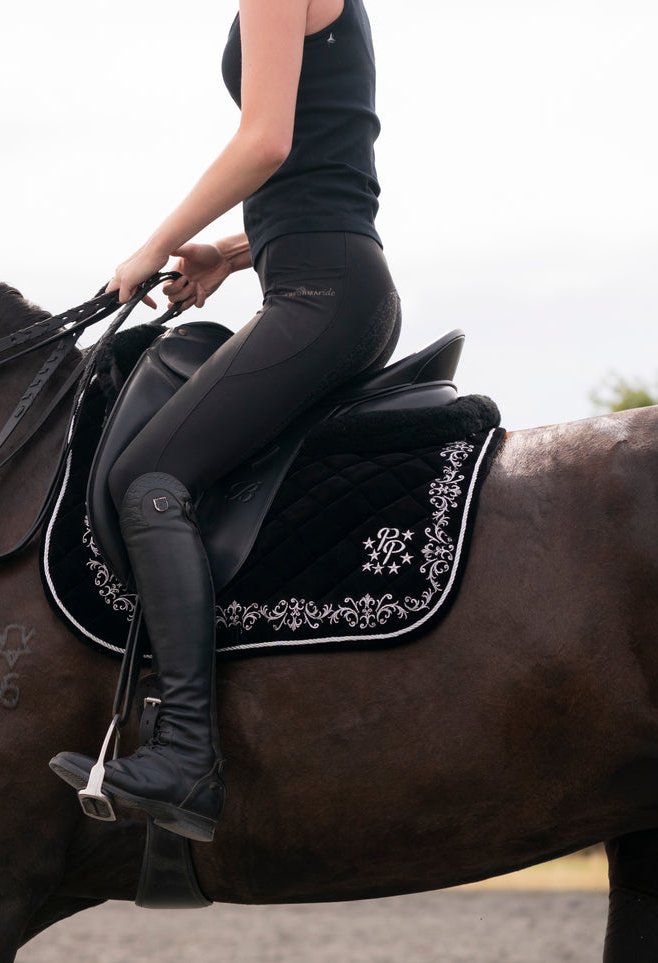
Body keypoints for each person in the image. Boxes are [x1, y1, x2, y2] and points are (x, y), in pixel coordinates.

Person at [50, 0, 402, 843]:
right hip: (322, 277)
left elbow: (265, 141)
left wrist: (154, 244)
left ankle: (186, 756)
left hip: (321, 293)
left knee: (149, 479)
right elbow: (324, 159)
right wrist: (230, 253)